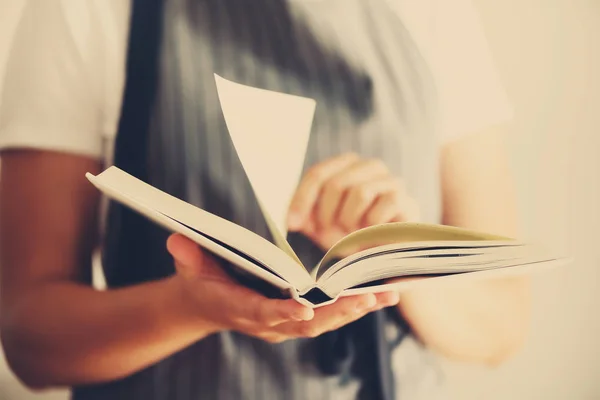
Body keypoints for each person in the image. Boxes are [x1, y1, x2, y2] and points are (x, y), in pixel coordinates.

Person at [0, 0, 530, 399]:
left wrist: (399, 262)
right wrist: (187, 308)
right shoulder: (84, 9)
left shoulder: (437, 12)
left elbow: (502, 323)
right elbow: (31, 338)